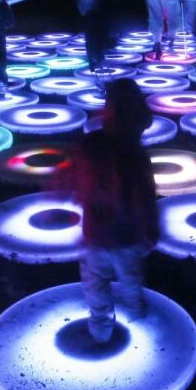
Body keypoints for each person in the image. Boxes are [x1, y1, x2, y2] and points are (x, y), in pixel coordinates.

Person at [61, 78, 159, 343]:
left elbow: (69, 178)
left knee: (95, 283)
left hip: (96, 234)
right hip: (128, 238)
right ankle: (136, 312)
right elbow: (145, 198)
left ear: (108, 109)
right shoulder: (137, 155)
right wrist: (150, 229)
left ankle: (101, 329)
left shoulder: (90, 145)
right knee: (130, 279)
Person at [74, 0, 109, 71]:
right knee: (94, 40)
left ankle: (94, 61)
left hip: (89, 19)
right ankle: (97, 60)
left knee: (91, 41)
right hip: (92, 19)